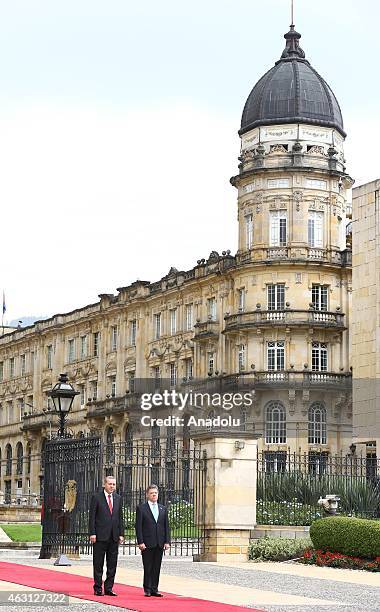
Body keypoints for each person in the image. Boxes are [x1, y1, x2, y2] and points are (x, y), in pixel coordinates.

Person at [89, 475, 124, 596]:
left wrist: (121, 534)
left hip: (114, 536)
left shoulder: (118, 498)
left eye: (114, 484)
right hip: (100, 536)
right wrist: (92, 533)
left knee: (112, 563)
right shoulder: (97, 498)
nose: (112, 486)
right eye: (110, 484)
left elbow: (120, 517)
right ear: (104, 484)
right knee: (98, 563)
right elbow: (92, 517)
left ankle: (109, 588)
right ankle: (98, 587)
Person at [135, 484, 171, 597]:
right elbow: (138, 527)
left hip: (159, 542)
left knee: (156, 567)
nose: (154, 495)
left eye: (155, 493)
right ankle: (147, 589)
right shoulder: (142, 508)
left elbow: (166, 526)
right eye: (151, 493)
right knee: (148, 566)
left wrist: (167, 541)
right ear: (147, 495)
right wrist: (140, 541)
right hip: (147, 543)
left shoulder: (163, 508)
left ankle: (155, 588)